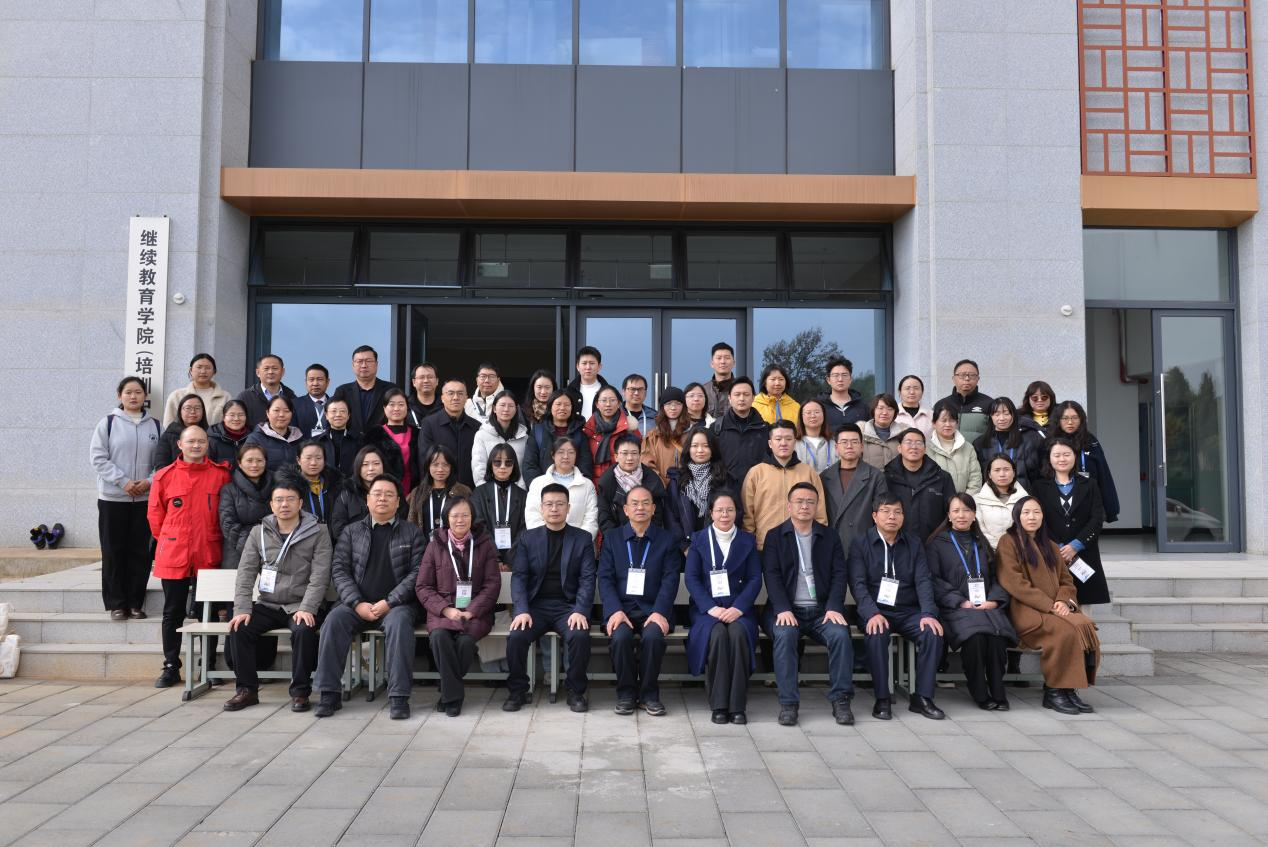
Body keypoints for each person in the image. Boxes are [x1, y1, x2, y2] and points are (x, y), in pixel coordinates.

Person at [314, 474, 424, 720]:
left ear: (398, 502)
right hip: (356, 605)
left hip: (396, 605)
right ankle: (328, 694)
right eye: (377, 494)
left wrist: (389, 602)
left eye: (389, 494)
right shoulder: (351, 532)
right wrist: (356, 603)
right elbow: (339, 570)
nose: (382, 499)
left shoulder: (412, 533)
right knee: (333, 621)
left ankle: (398, 697)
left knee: (399, 624)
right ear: (367, 499)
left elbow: (417, 573)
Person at [224, 478, 332, 712]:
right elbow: (245, 574)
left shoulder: (318, 531)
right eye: (279, 500)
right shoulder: (258, 533)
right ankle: (247, 690)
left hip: (299, 604)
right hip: (268, 604)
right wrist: (242, 609)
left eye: (290, 499)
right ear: (271, 505)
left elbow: (320, 575)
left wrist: (308, 607)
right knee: (239, 627)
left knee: (303, 630)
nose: (285, 504)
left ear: (300, 503)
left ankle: (300, 692)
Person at [762, 482, 856, 727]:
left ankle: (841, 700)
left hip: (822, 611)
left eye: (810, 502)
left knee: (840, 635)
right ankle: (788, 704)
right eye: (799, 501)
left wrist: (834, 607)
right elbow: (771, 575)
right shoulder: (775, 536)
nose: (804, 506)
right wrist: (783, 608)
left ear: (816, 506)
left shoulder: (829, 536)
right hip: (787, 610)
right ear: (789, 505)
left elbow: (839, 574)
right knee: (785, 635)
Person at [996, 497, 1101, 715]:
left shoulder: (1051, 545)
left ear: (1043, 516)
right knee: (1064, 631)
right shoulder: (1008, 542)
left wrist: (1062, 601)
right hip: (1026, 611)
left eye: (1036, 512)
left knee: (1084, 626)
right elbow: (1014, 583)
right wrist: (1050, 605)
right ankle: (1054, 691)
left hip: (1056, 608)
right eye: (1026, 513)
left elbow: (1067, 581)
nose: (1032, 517)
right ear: (1017, 516)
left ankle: (1068, 689)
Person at [847, 494, 945, 720]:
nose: (892, 516)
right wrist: (871, 613)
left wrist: (928, 613)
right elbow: (858, 584)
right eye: (886, 511)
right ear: (874, 516)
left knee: (932, 632)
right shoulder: (861, 544)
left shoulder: (913, 543)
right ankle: (882, 697)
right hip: (876, 611)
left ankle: (922, 697)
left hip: (908, 611)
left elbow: (923, 581)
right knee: (877, 632)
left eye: (897, 512)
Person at [147, 426, 231, 688]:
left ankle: (208, 665)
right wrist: (173, 539)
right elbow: (155, 518)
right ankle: (171, 666)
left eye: (201, 441)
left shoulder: (220, 475)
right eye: (191, 441)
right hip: (175, 552)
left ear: (207, 444)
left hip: (209, 551)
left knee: (209, 613)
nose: (196, 446)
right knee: (172, 612)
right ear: (180, 445)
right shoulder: (165, 476)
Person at [504, 483, 597, 713]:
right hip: (535, 607)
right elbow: (519, 577)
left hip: (568, 607)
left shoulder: (583, 539)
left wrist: (580, 610)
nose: (554, 509)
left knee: (579, 635)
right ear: (541, 508)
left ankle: (576, 691)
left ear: (568, 508)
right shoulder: (528, 538)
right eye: (549, 504)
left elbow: (587, 579)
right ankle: (517, 691)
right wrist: (521, 610)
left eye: (559, 504)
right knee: (516, 636)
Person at [925, 494, 1018, 710]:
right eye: (956, 511)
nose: (961, 515)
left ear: (974, 515)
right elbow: (933, 580)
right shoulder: (937, 544)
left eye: (967, 510)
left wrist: (994, 601)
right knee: (975, 638)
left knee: (996, 638)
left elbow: (998, 577)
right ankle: (980, 693)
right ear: (948, 515)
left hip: (987, 607)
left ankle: (998, 692)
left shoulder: (981, 543)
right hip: (955, 609)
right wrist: (960, 601)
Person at [597, 486, 682, 716]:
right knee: (621, 637)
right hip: (621, 609)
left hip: (653, 609)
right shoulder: (612, 539)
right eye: (634, 503)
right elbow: (605, 578)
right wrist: (614, 610)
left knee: (653, 637)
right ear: (625, 510)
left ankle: (649, 695)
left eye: (645, 503)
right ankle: (626, 694)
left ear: (653, 509)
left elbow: (670, 579)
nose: (640, 508)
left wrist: (660, 611)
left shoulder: (666, 540)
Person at [415, 496, 502, 716]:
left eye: (465, 515)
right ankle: (453, 698)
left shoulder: (484, 544)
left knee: (465, 642)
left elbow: (492, 584)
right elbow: (423, 586)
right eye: (455, 516)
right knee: (439, 638)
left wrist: (472, 610)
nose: (460, 520)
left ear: (472, 518)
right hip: (442, 610)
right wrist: (446, 609)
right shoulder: (434, 545)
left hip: (477, 611)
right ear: (447, 518)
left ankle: (448, 693)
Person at [684, 491, 760, 724]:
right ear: (711, 513)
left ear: (736, 513)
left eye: (730, 510)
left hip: (739, 610)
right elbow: (692, 578)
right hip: (707, 610)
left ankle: (737, 706)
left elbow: (754, 579)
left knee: (738, 634)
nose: (725, 514)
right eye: (719, 510)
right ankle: (719, 704)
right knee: (717, 634)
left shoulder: (747, 540)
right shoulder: (699, 539)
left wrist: (739, 608)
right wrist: (710, 608)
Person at [91, 376, 162, 621]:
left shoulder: (156, 426)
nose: (133, 396)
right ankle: (116, 604)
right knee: (113, 551)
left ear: (145, 396)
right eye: (128, 392)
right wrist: (123, 482)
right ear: (119, 395)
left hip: (144, 499)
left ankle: (135, 603)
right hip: (113, 499)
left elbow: (162, 463)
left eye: (138, 392)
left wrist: (149, 482)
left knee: (140, 552)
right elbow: (98, 458)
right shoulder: (108, 423)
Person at [1030, 438, 1110, 606]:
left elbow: (1096, 518)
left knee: (1085, 603)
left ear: (1075, 456)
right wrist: (1056, 546)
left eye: (1067, 454)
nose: (1062, 459)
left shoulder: (1090, 484)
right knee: (1056, 601)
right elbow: (1038, 520)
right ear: (1049, 458)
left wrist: (1076, 545)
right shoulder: (1039, 487)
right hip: (1052, 552)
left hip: (1084, 552)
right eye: (1057, 455)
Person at [742, 421, 826, 549]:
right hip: (765, 544)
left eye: (788, 439)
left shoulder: (808, 472)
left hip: (803, 544)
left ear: (795, 442)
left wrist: (819, 540)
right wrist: (750, 542)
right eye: (778, 439)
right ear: (770, 443)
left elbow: (820, 512)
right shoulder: (756, 473)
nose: (783, 443)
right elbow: (747, 514)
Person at [820, 423, 889, 557]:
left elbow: (882, 514)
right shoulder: (825, 477)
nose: (849, 446)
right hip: (833, 545)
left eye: (854, 442)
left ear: (862, 446)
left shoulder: (875, 476)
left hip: (865, 546)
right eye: (844, 442)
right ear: (836, 447)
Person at [1048, 400, 1120, 524]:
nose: (1070, 422)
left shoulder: (1090, 441)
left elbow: (1103, 473)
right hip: (1057, 502)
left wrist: (1110, 508)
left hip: (1087, 501)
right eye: (1065, 418)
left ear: (1081, 419)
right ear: (1058, 420)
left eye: (1074, 418)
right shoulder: (1050, 442)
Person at [882, 429, 956, 544]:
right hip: (896, 544)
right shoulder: (886, 478)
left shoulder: (942, 477)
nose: (914, 447)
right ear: (899, 448)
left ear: (925, 448)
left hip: (933, 544)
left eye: (918, 443)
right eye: (908, 442)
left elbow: (951, 512)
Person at [668, 427, 734, 547]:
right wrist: (684, 547)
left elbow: (735, 512)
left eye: (706, 446)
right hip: (686, 549)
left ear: (713, 449)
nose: (700, 450)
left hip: (718, 545)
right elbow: (670, 517)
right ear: (688, 449)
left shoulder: (725, 479)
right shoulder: (677, 480)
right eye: (695, 446)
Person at [525, 438, 599, 539]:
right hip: (544, 543)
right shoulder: (538, 483)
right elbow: (532, 516)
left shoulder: (587, 485)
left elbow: (591, 519)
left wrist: (580, 543)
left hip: (579, 545)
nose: (566, 456)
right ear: (553, 455)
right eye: (561, 452)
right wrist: (546, 541)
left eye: (571, 452)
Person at [597, 434, 670, 534]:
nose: (630, 458)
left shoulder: (652, 481)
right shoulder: (606, 483)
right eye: (625, 453)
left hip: (648, 536)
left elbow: (657, 515)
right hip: (617, 537)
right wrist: (616, 539)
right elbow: (604, 517)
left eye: (634, 453)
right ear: (616, 457)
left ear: (640, 456)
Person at [471, 444, 528, 569]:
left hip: (516, 560)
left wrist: (510, 560)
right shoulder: (478, 493)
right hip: (485, 558)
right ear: (490, 465)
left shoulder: (523, 495)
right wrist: (495, 558)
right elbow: (478, 527)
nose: (503, 467)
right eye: (497, 462)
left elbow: (524, 529)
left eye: (508, 463)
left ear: (514, 465)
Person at [330, 446, 405, 541]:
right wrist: (362, 543)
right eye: (365, 464)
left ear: (383, 465)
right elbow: (338, 529)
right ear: (358, 467)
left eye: (376, 463)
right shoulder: (347, 493)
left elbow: (403, 520)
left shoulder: (394, 490)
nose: (371, 468)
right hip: (355, 547)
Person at [417, 379, 481, 488]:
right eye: (450, 393)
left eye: (460, 393)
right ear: (442, 398)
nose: (455, 397)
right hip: (439, 489)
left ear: (466, 398)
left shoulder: (476, 427)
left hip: (470, 490)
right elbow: (425, 460)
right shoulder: (429, 424)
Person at [218, 444, 274, 569]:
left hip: (273, 550)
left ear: (265, 462)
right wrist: (253, 546)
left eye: (259, 460)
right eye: (249, 460)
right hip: (238, 552)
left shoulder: (277, 486)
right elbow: (228, 524)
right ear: (240, 463)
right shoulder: (229, 490)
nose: (254, 465)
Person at [523, 389, 594, 486]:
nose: (562, 408)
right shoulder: (538, 431)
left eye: (567, 405)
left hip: (573, 488)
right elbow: (529, 464)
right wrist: (539, 487)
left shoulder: (580, 433)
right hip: (543, 489)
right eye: (558, 404)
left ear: (572, 408)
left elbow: (585, 465)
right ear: (550, 406)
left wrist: (578, 487)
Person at [711, 377, 770, 490]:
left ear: (753, 398)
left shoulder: (765, 429)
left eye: (746, 394)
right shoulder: (717, 428)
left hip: (757, 490)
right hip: (725, 492)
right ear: (729, 398)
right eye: (737, 394)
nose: (741, 398)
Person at [974, 397, 1043, 491]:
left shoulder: (1027, 441)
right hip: (991, 494)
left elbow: (1034, 473)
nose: (1001, 418)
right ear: (991, 416)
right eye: (997, 414)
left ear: (1013, 415)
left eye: (1006, 414)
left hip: (1021, 493)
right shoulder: (980, 443)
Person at [363, 389, 420, 495]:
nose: (396, 408)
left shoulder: (417, 433)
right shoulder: (374, 434)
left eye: (401, 404)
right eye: (392, 405)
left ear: (407, 407)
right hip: (383, 490)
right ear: (384, 408)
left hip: (414, 491)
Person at [406, 445, 474, 533]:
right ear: (428, 466)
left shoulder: (463, 491)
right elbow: (411, 523)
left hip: (452, 541)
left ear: (451, 467)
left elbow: (471, 522)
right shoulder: (417, 492)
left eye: (445, 465)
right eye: (435, 464)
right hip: (423, 541)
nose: (440, 469)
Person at [332, 345, 399, 434]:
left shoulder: (391, 389)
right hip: (350, 441)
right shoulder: (342, 391)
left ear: (376, 364)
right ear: (353, 365)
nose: (364, 365)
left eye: (368, 361)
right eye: (359, 361)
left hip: (383, 440)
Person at [471, 390, 529, 487]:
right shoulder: (481, 435)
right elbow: (479, 467)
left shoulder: (524, 437)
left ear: (516, 409)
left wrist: (520, 491)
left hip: (517, 491)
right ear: (494, 408)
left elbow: (524, 468)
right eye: (502, 405)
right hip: (489, 491)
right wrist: (485, 491)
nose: (506, 409)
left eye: (511, 406)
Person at [926, 399, 982, 494]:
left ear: (957, 423)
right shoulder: (926, 449)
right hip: (935, 501)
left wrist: (963, 500)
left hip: (964, 501)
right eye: (943, 420)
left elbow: (975, 480)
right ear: (934, 423)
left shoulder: (968, 448)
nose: (948, 424)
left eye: (952, 420)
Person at [584, 384, 636, 483]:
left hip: (622, 483)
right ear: (597, 404)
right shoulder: (588, 429)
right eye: (603, 400)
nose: (608, 404)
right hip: (593, 484)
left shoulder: (629, 428)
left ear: (619, 403)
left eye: (612, 400)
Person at [162, 353, 230, 427]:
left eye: (207, 368)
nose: (203, 371)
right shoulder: (177, 396)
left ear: (214, 372)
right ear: (191, 370)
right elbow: (168, 426)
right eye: (199, 367)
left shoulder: (225, 397)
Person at [976, 454, 1028, 550]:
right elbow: (979, 529)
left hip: (1021, 550)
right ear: (989, 474)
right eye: (997, 470)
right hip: (988, 551)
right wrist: (1001, 547)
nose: (1002, 474)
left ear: (1014, 472)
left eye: (1006, 469)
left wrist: (1014, 547)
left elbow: (1029, 527)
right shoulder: (977, 500)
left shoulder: (1026, 499)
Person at [937, 359, 992, 445]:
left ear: (978, 379)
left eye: (972, 375)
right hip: (946, 453)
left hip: (977, 453)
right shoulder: (941, 404)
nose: (967, 378)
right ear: (954, 379)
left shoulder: (989, 404)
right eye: (962, 375)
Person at [640, 387, 687, 486]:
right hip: (661, 489)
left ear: (683, 406)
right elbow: (647, 464)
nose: (673, 407)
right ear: (662, 407)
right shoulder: (653, 435)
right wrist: (661, 487)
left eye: (678, 403)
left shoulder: (691, 433)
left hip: (687, 488)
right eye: (668, 403)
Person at [235, 354, 296, 430]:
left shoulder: (292, 397)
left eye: (275, 368)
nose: (270, 372)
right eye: (266, 369)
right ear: (258, 372)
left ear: (282, 372)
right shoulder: (245, 397)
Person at [245, 395, 304, 472]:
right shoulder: (255, 439)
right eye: (276, 410)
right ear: (267, 413)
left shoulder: (299, 438)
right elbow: (248, 469)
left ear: (292, 413)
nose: (281, 415)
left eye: (286, 411)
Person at [154, 394, 209, 469]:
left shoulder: (210, 434)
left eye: (197, 408)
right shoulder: (170, 434)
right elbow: (161, 464)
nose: (193, 411)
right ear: (180, 411)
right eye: (188, 408)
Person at [315, 397, 361, 479]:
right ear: (326, 415)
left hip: (353, 485)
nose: (338, 415)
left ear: (348, 415)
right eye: (333, 411)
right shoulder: (317, 441)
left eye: (342, 411)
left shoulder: (360, 440)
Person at [296, 440, 340, 525]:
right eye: (308, 458)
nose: (313, 463)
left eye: (318, 458)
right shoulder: (291, 487)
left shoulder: (335, 484)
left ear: (324, 460)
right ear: (298, 460)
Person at [819, 356, 868, 432]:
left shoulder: (863, 407)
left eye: (844, 375)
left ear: (850, 379)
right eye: (836, 375)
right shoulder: (819, 407)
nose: (840, 379)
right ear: (828, 380)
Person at [565, 345, 609, 420]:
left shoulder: (609, 392)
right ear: (577, 367)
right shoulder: (568, 392)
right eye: (584, 363)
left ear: (599, 367)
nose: (588, 367)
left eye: (592, 363)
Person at [861, 394, 904, 470]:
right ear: (873, 410)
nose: (885, 412)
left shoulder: (904, 433)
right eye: (880, 408)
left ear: (895, 412)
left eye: (890, 409)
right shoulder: (860, 433)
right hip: (869, 477)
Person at [208, 400, 252, 468]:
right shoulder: (212, 440)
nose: (236, 419)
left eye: (240, 415)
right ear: (223, 417)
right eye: (232, 415)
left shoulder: (253, 438)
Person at [292, 363, 332, 438]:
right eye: (311, 379)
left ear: (327, 382)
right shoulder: (294, 405)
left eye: (319, 379)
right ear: (306, 382)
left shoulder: (335, 404)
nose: (315, 383)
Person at [794, 399, 833, 473]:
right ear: (801, 417)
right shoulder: (793, 444)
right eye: (808, 413)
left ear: (824, 415)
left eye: (817, 412)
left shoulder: (835, 443)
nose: (813, 416)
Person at [701, 342, 736, 419]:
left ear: (734, 363)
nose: (723, 362)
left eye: (727, 358)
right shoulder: (703, 391)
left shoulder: (741, 390)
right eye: (719, 358)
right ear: (712, 363)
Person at [893, 374, 933, 439]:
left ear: (922, 392)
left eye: (916, 388)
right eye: (907, 388)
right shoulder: (892, 414)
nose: (912, 392)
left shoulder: (931, 415)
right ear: (899, 392)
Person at [408, 362, 443, 426]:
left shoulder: (446, 405)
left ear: (437, 381)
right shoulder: (405, 405)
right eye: (421, 377)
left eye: (430, 377)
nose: (426, 381)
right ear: (414, 382)